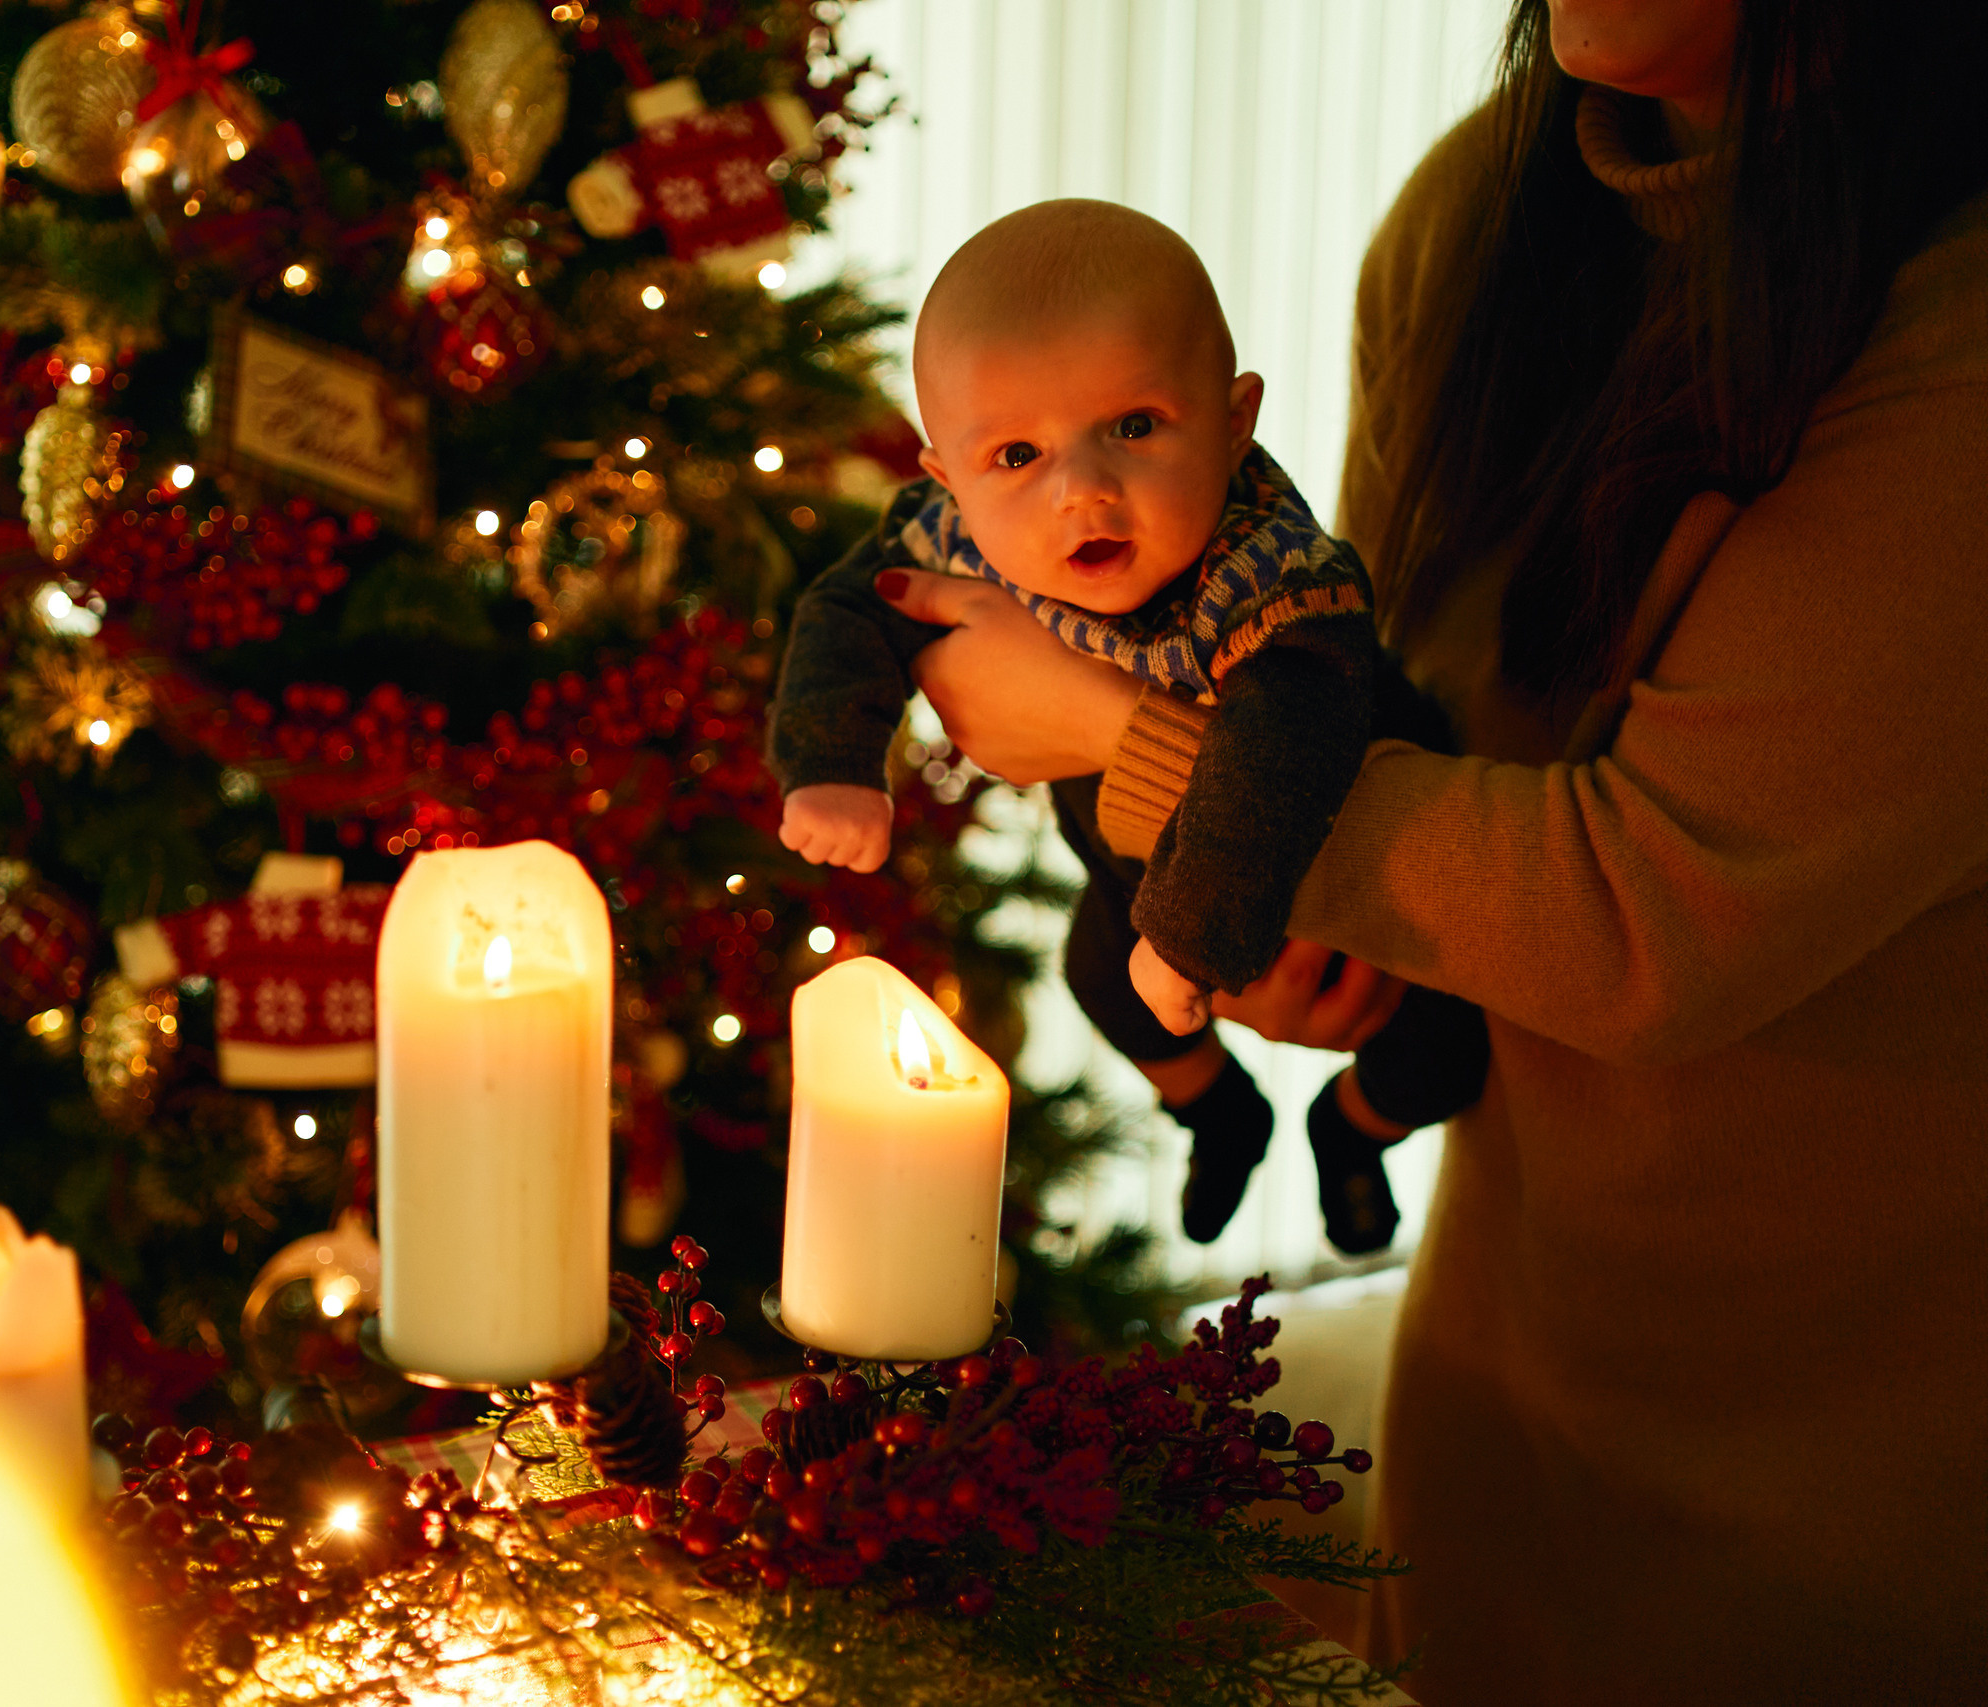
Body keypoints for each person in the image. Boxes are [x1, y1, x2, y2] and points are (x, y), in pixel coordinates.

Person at [871, 1, 1988, 1699]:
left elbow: (1643, 914)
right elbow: (1377, 712)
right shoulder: (1494, 204)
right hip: (1504, 1359)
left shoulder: (1949, 338)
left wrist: (1112, 731)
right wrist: (1304, 924)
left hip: (1846, 1466)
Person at [767, 202, 1487, 1256]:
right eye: (1017, 453)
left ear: (1234, 422)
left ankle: (1351, 1131)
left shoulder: (1275, 578)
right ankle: (1217, 1113)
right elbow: (848, 608)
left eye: (1135, 427)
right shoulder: (951, 534)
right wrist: (832, 763)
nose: (1082, 491)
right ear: (947, 478)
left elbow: (1282, 748)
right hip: (1131, 873)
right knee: (1101, 977)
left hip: (1358, 870)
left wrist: (1193, 928)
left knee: (1443, 1053)